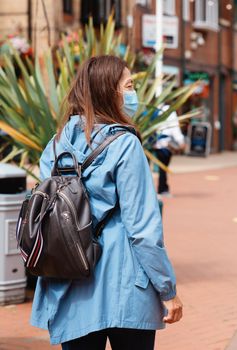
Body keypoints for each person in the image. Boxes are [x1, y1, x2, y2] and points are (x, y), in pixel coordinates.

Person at [31, 55, 183, 350]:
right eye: (128, 86)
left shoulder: (54, 144)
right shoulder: (125, 144)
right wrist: (167, 289)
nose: (133, 93)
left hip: (69, 282)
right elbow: (142, 229)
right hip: (124, 286)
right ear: (109, 92)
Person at [154, 106, 185, 196]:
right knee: (163, 168)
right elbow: (174, 128)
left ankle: (162, 188)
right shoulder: (170, 111)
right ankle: (163, 189)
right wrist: (181, 141)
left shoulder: (156, 109)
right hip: (165, 145)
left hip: (156, 143)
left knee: (161, 168)